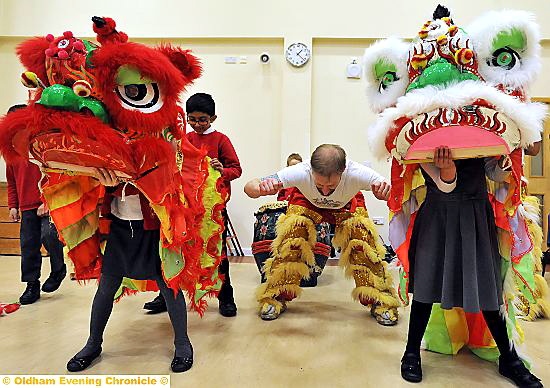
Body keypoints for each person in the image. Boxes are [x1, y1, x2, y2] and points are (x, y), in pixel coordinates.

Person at [400, 147, 542, 387]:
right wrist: (447, 170)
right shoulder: (426, 125)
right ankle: (411, 352)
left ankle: (508, 359)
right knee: (427, 281)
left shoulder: (477, 118)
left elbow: (492, 173)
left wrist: (504, 166)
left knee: (486, 286)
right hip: (438, 212)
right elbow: (444, 184)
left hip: (475, 212)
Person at [244, 144, 401, 325]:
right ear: (310, 170)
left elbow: (397, 194)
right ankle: (275, 296)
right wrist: (260, 189)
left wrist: (386, 195)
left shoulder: (359, 173)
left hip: (347, 204)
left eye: (331, 185)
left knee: (362, 242)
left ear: (344, 171)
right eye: (319, 185)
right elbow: (250, 187)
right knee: (292, 237)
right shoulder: (299, 172)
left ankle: (381, 301)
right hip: (307, 203)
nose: (325, 192)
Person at [66, 168, 194, 373]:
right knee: (106, 287)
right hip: (119, 226)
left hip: (156, 225)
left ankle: (182, 343)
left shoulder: (166, 136)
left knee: (169, 287)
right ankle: (93, 343)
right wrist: (104, 180)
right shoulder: (113, 136)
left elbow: (174, 170)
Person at [144, 93, 242, 317]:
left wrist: (220, 169)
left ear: (213, 118)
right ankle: (167, 296)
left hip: (212, 211)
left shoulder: (221, 140)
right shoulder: (184, 139)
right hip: (184, 207)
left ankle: (226, 297)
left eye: (203, 120)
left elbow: (236, 170)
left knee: (218, 254)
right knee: (174, 251)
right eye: (193, 119)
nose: (197, 124)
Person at [6, 104, 66, 305]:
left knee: (49, 236)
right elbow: (12, 182)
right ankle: (32, 284)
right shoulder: (11, 152)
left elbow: (54, 174)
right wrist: (13, 205)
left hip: (46, 204)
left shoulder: (41, 145)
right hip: (26, 206)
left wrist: (46, 201)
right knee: (28, 245)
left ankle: (58, 269)